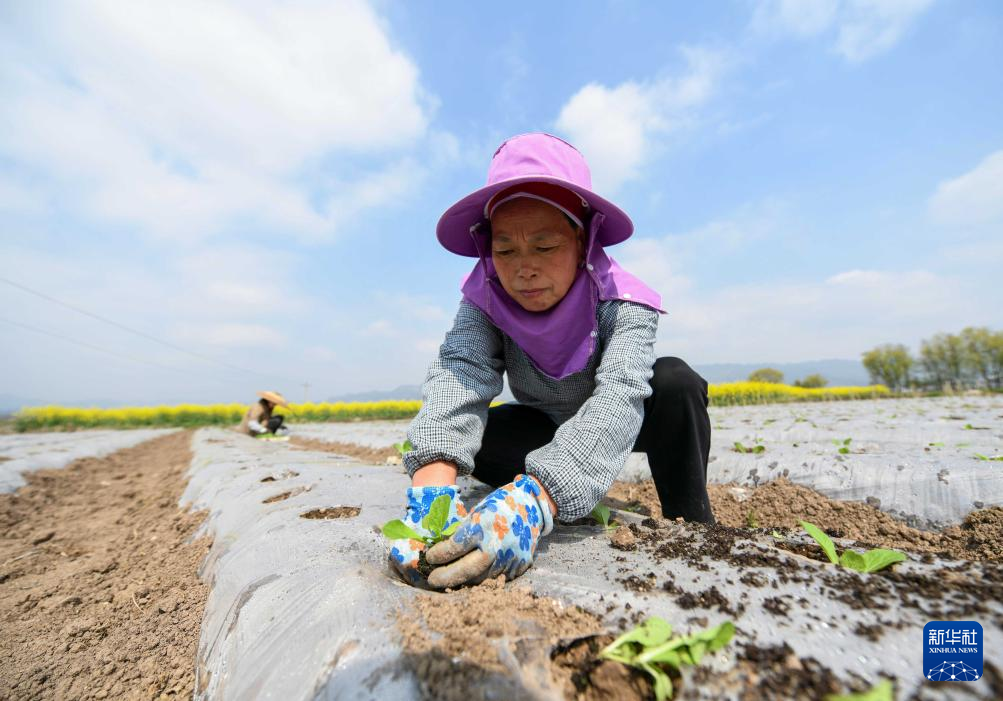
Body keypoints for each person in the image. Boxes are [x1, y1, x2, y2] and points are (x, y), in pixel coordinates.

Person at [389, 133, 714, 590]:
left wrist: (536, 498)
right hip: (547, 426)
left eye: (544, 247)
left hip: (631, 421)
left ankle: (693, 526)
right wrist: (432, 496)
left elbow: (620, 394)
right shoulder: (485, 300)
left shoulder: (624, 302)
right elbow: (461, 371)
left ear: (582, 241)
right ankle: (555, 491)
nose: (524, 268)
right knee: (482, 437)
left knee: (676, 381)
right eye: (505, 250)